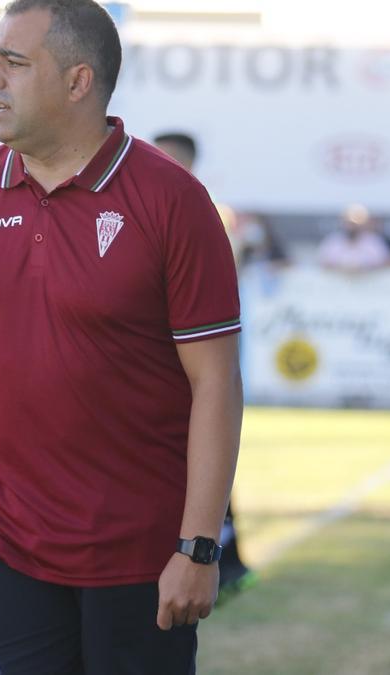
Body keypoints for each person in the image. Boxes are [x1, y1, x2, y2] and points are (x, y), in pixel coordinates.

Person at [0, 2, 243, 673]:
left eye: (11, 62)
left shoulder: (171, 200)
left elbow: (214, 381)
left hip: (137, 552)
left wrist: (198, 547)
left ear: (78, 81)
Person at [154, 131, 258, 604]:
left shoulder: (208, 212)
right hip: (157, 360)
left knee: (207, 457)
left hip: (196, 355)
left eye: (170, 159)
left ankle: (220, 558)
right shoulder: (141, 202)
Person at [317, 204, 390, 271]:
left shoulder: (374, 241)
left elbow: (384, 263)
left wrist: (363, 268)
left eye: (356, 222)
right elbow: (322, 263)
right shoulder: (333, 241)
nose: (352, 226)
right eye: (350, 222)